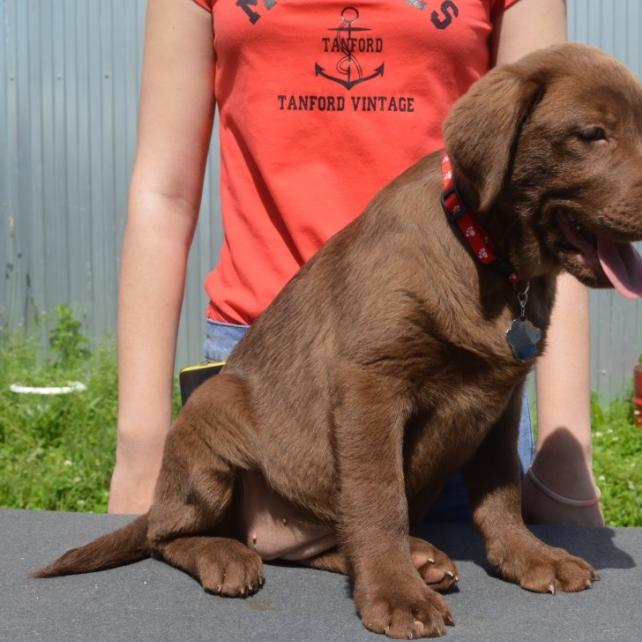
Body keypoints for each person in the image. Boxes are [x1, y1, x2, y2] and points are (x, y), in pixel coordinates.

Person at [108, 0, 603, 531]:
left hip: (458, 358)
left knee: (483, 604)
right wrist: (140, 450)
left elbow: (551, 205)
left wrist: (565, 454)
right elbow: (165, 196)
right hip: (270, 376)